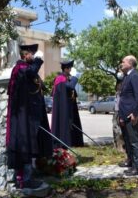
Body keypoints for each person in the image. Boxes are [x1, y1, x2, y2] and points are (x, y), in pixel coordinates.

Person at [6, 44, 53, 189]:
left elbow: (39, 84)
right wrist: (38, 60)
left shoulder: (28, 69)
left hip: (33, 114)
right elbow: (30, 73)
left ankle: (31, 174)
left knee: (34, 143)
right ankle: (25, 179)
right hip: (23, 117)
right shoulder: (20, 69)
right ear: (25, 54)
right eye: (32, 54)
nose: (33, 56)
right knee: (25, 145)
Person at [118, 55, 138, 176]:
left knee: (134, 141)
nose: (121, 64)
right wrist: (121, 115)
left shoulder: (135, 76)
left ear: (130, 63)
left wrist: (135, 113)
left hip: (131, 115)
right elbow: (124, 97)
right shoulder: (126, 76)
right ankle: (131, 162)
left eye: (123, 62)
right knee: (127, 140)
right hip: (124, 115)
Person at [51, 60, 84, 147]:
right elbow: (70, 86)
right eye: (69, 68)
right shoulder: (60, 78)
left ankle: (73, 142)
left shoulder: (65, 78)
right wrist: (75, 77)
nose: (70, 70)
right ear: (65, 69)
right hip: (62, 109)